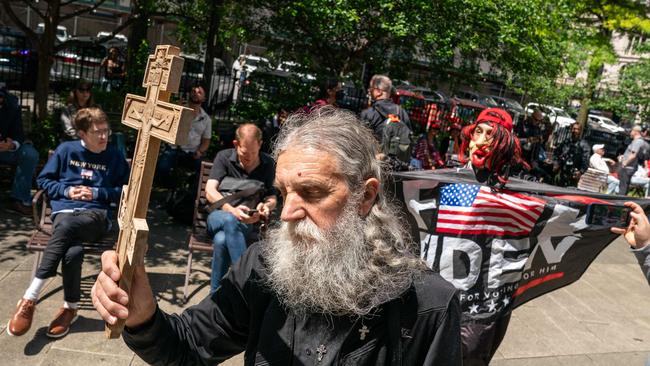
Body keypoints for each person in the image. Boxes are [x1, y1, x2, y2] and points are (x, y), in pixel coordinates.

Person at [91, 107, 463, 365]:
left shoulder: (427, 306)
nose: (287, 213)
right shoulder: (263, 267)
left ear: (365, 196)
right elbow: (187, 347)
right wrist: (142, 317)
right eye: (284, 193)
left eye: (313, 193)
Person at [7, 107, 129, 338]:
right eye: (97, 132)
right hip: (65, 211)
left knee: (65, 228)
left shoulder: (113, 156)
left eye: (106, 131)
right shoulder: (66, 150)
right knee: (72, 253)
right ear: (82, 134)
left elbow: (126, 190)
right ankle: (70, 309)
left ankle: (30, 297)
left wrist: (96, 194)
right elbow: (44, 179)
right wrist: (68, 190)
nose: (104, 137)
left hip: (95, 217)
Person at [205, 123, 277, 293]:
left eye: (254, 153)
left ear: (260, 144)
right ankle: (247, 282)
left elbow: (272, 198)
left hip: (246, 223)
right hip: (218, 217)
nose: (250, 158)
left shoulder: (268, 164)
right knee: (230, 219)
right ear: (236, 145)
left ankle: (215, 294)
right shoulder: (223, 157)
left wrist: (265, 207)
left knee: (221, 241)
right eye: (245, 153)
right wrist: (231, 210)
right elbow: (209, 191)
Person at [156, 85, 211, 188]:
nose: (195, 94)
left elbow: (206, 141)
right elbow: (167, 126)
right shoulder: (179, 109)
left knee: (203, 171)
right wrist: (176, 111)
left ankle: (190, 194)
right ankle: (168, 191)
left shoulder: (206, 119)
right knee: (162, 168)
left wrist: (199, 152)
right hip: (173, 148)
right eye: (193, 91)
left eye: (199, 92)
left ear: (204, 98)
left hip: (191, 152)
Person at [458, 107, 527, 186]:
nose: (480, 143)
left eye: (491, 135)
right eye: (478, 132)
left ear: (503, 146)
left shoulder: (517, 186)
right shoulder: (448, 176)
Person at [0, 87, 39, 215]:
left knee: (29, 154)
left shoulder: (11, 104)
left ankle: (19, 200)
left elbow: (19, 133)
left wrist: (12, 144)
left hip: (6, 148)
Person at [360, 74, 412, 141]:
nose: (369, 90)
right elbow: (409, 137)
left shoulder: (368, 113)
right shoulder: (402, 112)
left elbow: (360, 141)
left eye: (371, 88)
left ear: (379, 92)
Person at [552, 122, 590, 187]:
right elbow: (556, 152)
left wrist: (580, 172)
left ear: (580, 131)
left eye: (577, 129)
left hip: (574, 175)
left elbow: (586, 160)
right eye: (573, 129)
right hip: (561, 173)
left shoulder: (584, 145)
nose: (574, 131)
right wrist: (556, 163)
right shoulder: (566, 142)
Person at [618, 126, 650, 195]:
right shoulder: (636, 141)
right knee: (623, 186)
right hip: (629, 167)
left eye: (631, 131)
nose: (630, 133)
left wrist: (624, 163)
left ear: (635, 132)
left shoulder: (638, 142)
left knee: (623, 188)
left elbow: (633, 155)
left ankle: (619, 202)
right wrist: (624, 157)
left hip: (628, 167)